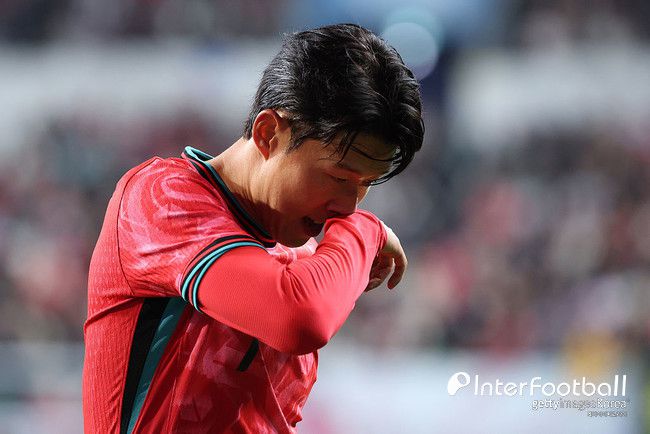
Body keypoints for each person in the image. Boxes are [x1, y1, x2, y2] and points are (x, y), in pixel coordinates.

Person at [83, 23, 424, 433]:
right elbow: (299, 319)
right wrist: (365, 232)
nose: (348, 208)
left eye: (366, 185)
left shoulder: (303, 257)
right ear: (268, 133)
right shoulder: (162, 198)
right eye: (338, 177)